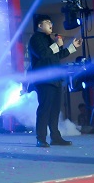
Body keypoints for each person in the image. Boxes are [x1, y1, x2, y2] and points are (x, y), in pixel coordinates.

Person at [28, 13, 81, 148]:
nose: (51, 25)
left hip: (55, 79)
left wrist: (72, 47)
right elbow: (43, 54)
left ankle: (55, 137)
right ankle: (41, 138)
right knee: (44, 109)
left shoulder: (49, 39)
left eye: (51, 22)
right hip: (44, 80)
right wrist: (57, 45)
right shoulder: (35, 39)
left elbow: (56, 56)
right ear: (40, 25)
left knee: (55, 110)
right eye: (47, 22)